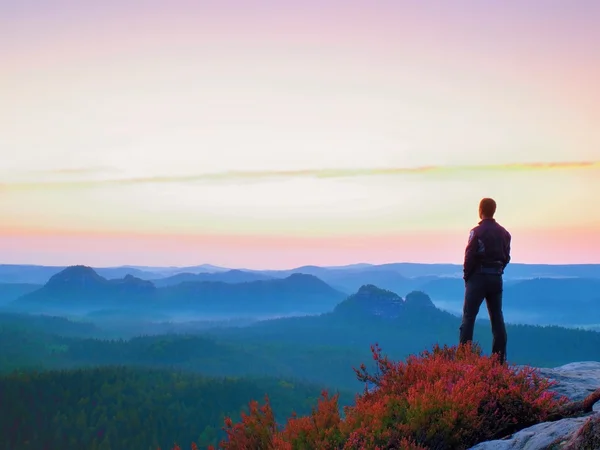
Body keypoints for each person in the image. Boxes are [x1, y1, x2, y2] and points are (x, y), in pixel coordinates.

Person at [459, 197, 511, 364]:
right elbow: (506, 256)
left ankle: (464, 360)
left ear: (480, 210)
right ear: (493, 211)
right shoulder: (504, 233)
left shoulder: (476, 232)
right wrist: (499, 270)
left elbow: (469, 256)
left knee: (469, 318)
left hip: (478, 278)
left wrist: (467, 277)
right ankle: (499, 361)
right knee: (497, 318)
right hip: (496, 278)